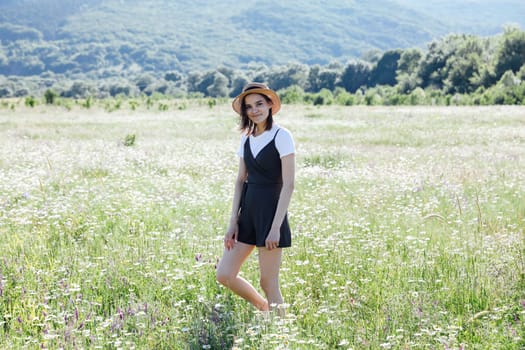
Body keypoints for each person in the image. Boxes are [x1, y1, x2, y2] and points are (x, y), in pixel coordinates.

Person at [216, 82, 295, 313]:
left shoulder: (282, 136)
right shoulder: (246, 138)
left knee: (268, 282)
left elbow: (289, 184)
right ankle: (263, 307)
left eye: (259, 104)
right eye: (249, 106)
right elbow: (240, 180)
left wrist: (275, 227)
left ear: (270, 104)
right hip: (247, 214)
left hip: (271, 214)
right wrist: (233, 222)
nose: (254, 110)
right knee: (224, 274)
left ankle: (281, 333)